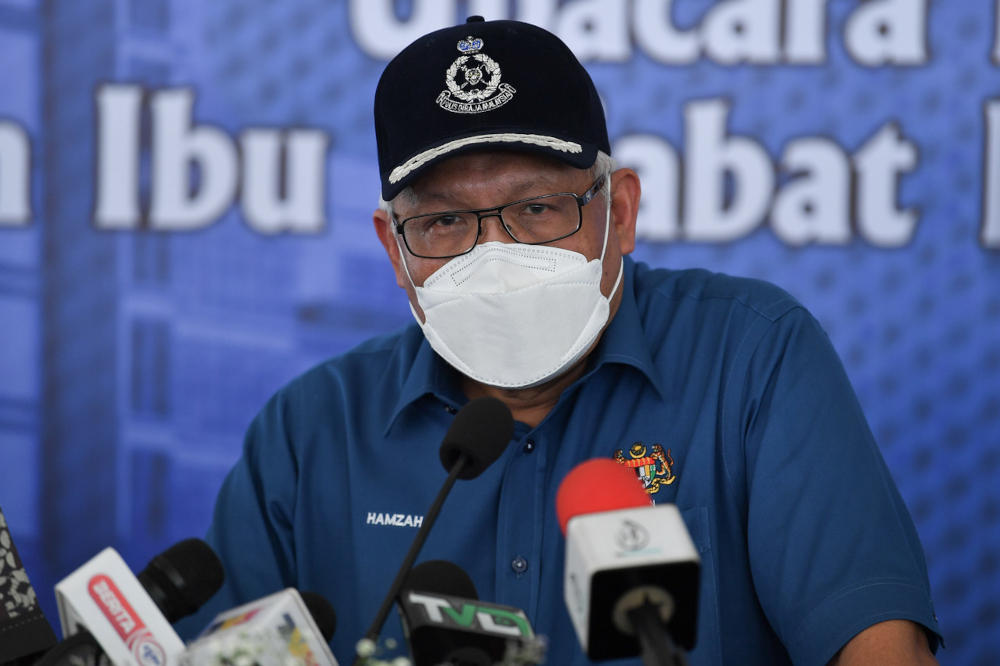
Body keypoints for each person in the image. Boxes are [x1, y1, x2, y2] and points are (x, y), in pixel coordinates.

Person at [176, 17, 943, 665]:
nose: (496, 257)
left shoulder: (753, 357)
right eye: (445, 222)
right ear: (393, 248)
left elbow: (878, 648)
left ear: (621, 211)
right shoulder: (312, 431)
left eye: (539, 209)